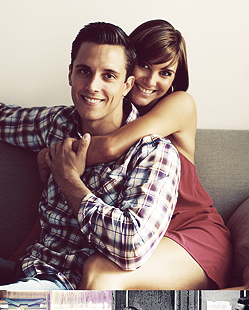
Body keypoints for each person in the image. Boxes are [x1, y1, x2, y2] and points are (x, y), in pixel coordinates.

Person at [0, 22, 180, 290]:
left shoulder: (154, 152)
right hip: (24, 270)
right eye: (84, 71)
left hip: (65, 287)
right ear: (70, 74)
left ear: (126, 84)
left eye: (108, 76)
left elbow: (133, 246)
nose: (93, 86)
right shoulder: (58, 123)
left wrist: (69, 179)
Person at [65, 19, 232, 290]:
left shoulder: (180, 104)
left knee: (98, 272)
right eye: (145, 65)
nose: (151, 81)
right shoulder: (106, 108)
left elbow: (108, 147)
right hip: (138, 232)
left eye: (165, 73)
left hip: (192, 235)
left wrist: (53, 156)